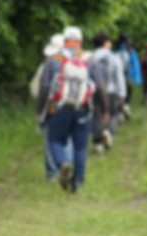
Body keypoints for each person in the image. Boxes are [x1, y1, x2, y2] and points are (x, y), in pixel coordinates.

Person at [35, 26, 107, 193]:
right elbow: (101, 87)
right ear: (80, 42)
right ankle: (77, 184)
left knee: (55, 140)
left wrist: (39, 111)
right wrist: (105, 110)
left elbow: (44, 89)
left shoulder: (53, 62)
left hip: (58, 109)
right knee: (81, 147)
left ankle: (62, 163)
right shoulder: (89, 62)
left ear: (64, 41)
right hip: (83, 109)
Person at [31, 33, 64, 181]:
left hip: (52, 105)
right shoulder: (73, 61)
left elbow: (43, 88)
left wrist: (38, 111)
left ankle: (52, 172)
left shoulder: (49, 64)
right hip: (71, 106)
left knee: (50, 136)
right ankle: (64, 163)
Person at [88, 32, 125, 153]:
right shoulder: (113, 57)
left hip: (94, 91)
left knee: (96, 116)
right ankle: (108, 131)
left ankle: (98, 144)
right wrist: (122, 93)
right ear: (106, 43)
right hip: (111, 91)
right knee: (112, 115)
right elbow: (118, 76)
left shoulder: (91, 57)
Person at [117, 34, 141, 113]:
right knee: (127, 91)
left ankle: (123, 107)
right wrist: (137, 78)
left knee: (121, 92)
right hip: (127, 76)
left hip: (119, 75)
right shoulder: (131, 52)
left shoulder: (116, 50)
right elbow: (135, 65)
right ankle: (126, 106)